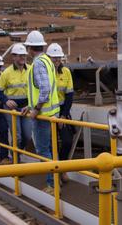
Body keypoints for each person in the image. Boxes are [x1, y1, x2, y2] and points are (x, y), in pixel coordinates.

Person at [23, 30, 60, 194]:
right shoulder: (47, 61)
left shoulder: (38, 63)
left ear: (30, 48)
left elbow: (44, 90)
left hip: (43, 116)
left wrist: (36, 110)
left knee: (44, 151)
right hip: (51, 114)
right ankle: (56, 179)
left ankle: (52, 185)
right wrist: (30, 106)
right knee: (51, 150)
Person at [0, 43, 33, 159]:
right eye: (19, 55)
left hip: (26, 107)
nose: (23, 57)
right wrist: (6, 101)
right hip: (12, 108)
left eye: (24, 55)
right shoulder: (6, 73)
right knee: (17, 136)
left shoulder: (31, 69)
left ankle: (15, 152)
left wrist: (31, 104)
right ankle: (16, 160)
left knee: (27, 135)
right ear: (13, 57)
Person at [46, 43, 75, 180]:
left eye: (58, 58)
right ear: (48, 58)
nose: (57, 60)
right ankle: (54, 174)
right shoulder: (44, 73)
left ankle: (62, 169)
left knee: (67, 141)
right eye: (54, 58)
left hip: (62, 112)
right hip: (48, 113)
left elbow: (69, 96)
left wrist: (63, 116)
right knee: (52, 145)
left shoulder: (66, 72)